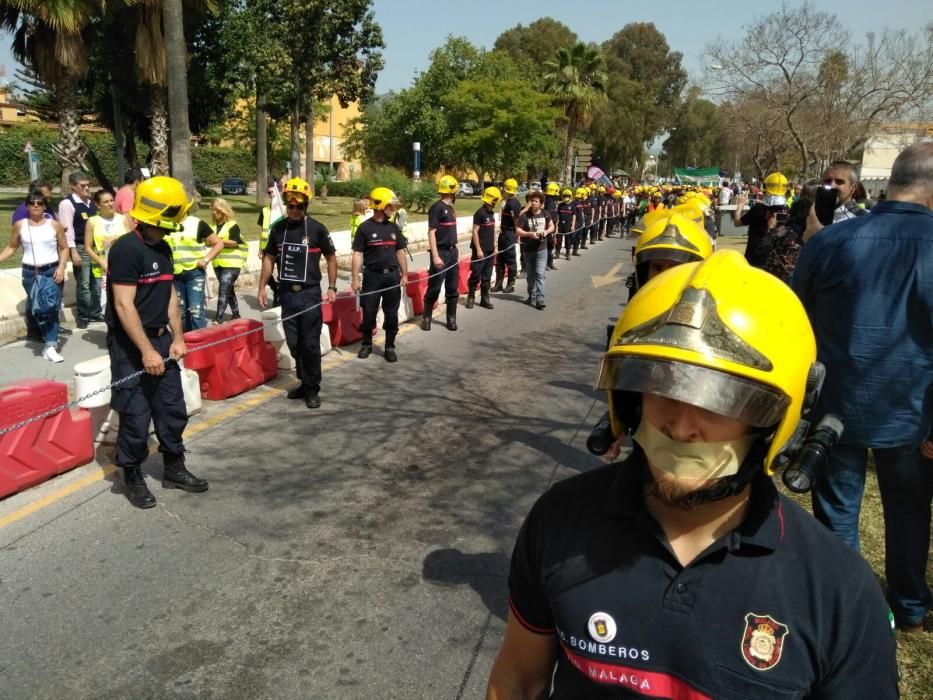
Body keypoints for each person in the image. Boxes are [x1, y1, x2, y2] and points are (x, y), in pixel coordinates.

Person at [487, 250, 899, 699]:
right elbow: (518, 680)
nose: (681, 428)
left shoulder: (837, 590)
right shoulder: (559, 520)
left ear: (775, 421)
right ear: (630, 398)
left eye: (722, 401)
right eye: (662, 387)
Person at [791, 142, 933, 633]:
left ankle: (853, 610)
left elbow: (794, 318)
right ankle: (910, 606)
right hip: (914, 415)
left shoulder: (830, 242)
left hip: (838, 409)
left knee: (837, 512)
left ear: (889, 181)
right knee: (910, 513)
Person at [106, 176, 209, 509]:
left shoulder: (162, 247)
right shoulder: (125, 249)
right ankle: (132, 475)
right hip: (130, 349)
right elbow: (123, 304)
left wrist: (177, 337)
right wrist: (147, 351)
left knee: (171, 410)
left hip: (163, 343)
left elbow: (170, 296)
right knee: (135, 417)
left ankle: (174, 468)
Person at [257, 177, 337, 409]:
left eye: (299, 207)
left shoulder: (317, 229)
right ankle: (304, 381)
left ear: (306, 206)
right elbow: (269, 258)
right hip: (287, 295)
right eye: (290, 206)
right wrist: (262, 286)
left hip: (310, 294)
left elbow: (331, 258)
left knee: (310, 343)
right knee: (294, 343)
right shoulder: (277, 229)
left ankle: (313, 388)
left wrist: (332, 287)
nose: (294, 210)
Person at [0, 192, 68, 359]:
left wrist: (61, 267)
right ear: (27, 206)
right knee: (39, 309)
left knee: (51, 308)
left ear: (45, 206)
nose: (35, 205)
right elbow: (12, 246)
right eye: (32, 203)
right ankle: (48, 339)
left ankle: (51, 345)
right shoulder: (20, 225)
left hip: (51, 271)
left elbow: (64, 248)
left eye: (39, 203)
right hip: (30, 273)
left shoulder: (54, 225)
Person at [351, 187, 409, 362]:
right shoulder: (364, 228)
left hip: (392, 277)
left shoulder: (393, 228)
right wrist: (355, 279)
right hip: (372, 277)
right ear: (381, 206)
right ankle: (366, 344)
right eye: (390, 207)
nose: (393, 210)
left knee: (392, 314)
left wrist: (404, 274)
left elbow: (400, 252)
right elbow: (357, 254)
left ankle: (390, 346)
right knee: (368, 313)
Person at [166, 202, 224, 331]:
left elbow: (218, 243)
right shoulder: (167, 224)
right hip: (174, 274)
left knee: (195, 310)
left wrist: (206, 259)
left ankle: (202, 344)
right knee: (180, 312)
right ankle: (185, 342)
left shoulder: (197, 223)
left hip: (194, 273)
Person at [57, 171, 100, 328]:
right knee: (84, 283)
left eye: (88, 184)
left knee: (95, 282)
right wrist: (73, 251)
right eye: (83, 186)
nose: (87, 188)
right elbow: (67, 231)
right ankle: (83, 315)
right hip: (80, 247)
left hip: (94, 247)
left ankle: (95, 312)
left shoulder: (90, 203)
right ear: (74, 187)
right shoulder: (67, 204)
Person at [421, 175, 461, 331]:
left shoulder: (451, 209)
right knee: (435, 286)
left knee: (453, 287)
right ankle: (426, 318)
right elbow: (431, 232)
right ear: (452, 191)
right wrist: (435, 255)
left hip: (452, 252)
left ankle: (451, 318)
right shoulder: (436, 208)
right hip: (441, 252)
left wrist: (456, 249)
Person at [84, 189, 131, 308]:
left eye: (111, 200)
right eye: (106, 202)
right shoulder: (92, 221)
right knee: (108, 304)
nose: (110, 204)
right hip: (104, 269)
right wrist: (101, 262)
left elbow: (133, 240)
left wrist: (116, 238)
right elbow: (87, 247)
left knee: (124, 302)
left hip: (124, 266)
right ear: (98, 205)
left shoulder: (123, 219)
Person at [732, 171, 788, 268]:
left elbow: (737, 223)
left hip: (755, 258)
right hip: (776, 260)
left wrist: (740, 205)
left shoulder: (758, 209)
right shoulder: (787, 210)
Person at [209, 198, 247, 324]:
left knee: (223, 289)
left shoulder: (233, 225)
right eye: (213, 210)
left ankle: (218, 318)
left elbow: (233, 242)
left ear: (223, 210)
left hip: (232, 264)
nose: (214, 212)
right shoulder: (212, 227)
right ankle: (236, 314)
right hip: (218, 263)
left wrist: (218, 241)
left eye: (217, 210)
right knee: (228, 290)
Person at [515, 190, 554, 310]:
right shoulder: (524, 216)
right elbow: (518, 231)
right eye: (532, 201)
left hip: (541, 249)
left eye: (536, 201)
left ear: (541, 203)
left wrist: (546, 232)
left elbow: (552, 226)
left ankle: (540, 298)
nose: (533, 203)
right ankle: (531, 295)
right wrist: (529, 234)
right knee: (530, 275)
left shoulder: (545, 213)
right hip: (528, 249)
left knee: (540, 274)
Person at [466, 187, 501, 311]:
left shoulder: (491, 213)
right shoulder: (480, 213)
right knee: (476, 274)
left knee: (487, 276)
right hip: (480, 251)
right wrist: (479, 249)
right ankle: (471, 297)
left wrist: (495, 246)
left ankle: (484, 299)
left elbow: (493, 231)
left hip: (490, 250)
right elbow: (475, 232)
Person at [493, 178, 522, 294]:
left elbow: (516, 221)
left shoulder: (513, 203)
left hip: (510, 233)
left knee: (510, 259)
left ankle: (510, 284)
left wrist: (517, 235)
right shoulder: (506, 201)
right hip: (503, 233)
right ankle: (499, 284)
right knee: (500, 259)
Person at [258, 182, 280, 307]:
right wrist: (260, 247)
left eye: (273, 192)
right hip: (267, 246)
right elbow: (262, 230)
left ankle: (280, 296)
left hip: (281, 247)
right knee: (266, 273)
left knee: (282, 274)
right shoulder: (265, 210)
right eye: (269, 193)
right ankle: (276, 290)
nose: (271, 195)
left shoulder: (283, 209)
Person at [543, 182, 560, 270]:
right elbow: (549, 216)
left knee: (551, 245)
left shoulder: (550, 201)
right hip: (549, 227)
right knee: (548, 246)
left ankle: (550, 263)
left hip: (552, 227)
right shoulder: (550, 202)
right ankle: (547, 264)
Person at [556, 188, 575, 261]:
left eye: (567, 196)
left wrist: (573, 225)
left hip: (568, 225)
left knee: (568, 240)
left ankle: (568, 254)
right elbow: (558, 215)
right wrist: (557, 225)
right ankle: (557, 253)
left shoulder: (572, 205)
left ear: (570, 197)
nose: (565, 197)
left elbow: (574, 216)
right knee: (559, 239)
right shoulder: (560, 205)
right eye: (564, 196)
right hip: (560, 224)